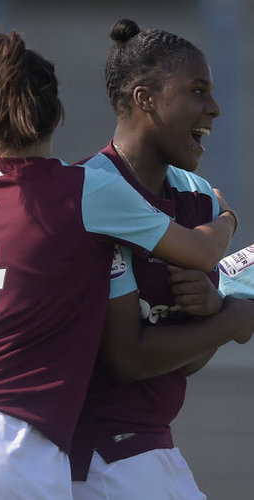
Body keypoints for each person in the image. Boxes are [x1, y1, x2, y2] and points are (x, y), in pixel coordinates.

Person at [0, 31, 248, 500]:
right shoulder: (85, 188)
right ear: (56, 116)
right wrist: (229, 221)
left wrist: (213, 306)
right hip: (9, 425)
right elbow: (199, 254)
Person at [70, 19, 254, 500]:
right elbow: (126, 358)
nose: (213, 108)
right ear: (144, 98)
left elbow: (187, 362)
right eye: (197, 91)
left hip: (151, 443)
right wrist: (236, 318)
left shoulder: (198, 200)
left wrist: (211, 309)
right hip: (90, 451)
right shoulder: (86, 192)